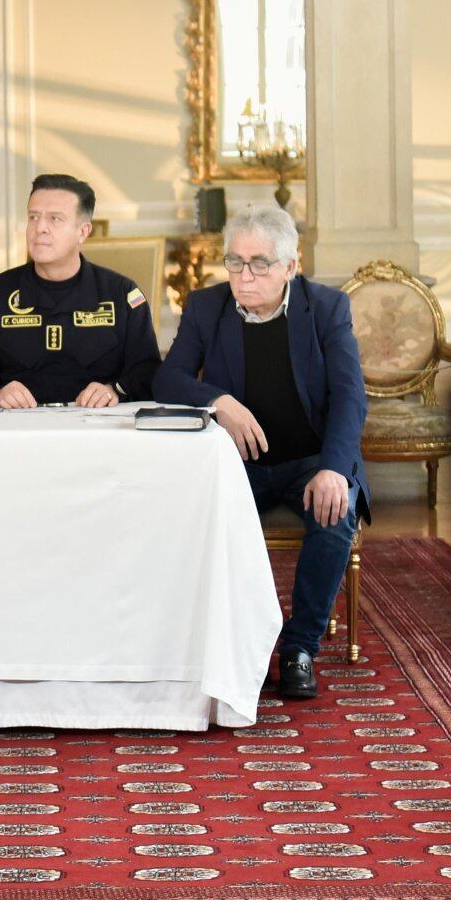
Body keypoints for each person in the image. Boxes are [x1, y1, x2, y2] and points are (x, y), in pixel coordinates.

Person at [151, 202, 367, 701]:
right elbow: (167, 378)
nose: (244, 276)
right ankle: (222, 643)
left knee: (334, 515)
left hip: (312, 461)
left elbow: (349, 396)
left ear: (291, 265)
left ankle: (299, 648)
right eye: (235, 262)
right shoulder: (206, 307)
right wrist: (219, 401)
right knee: (186, 514)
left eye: (259, 264)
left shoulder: (327, 308)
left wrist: (335, 469)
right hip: (236, 464)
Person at [0, 173, 159, 409]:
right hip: (17, 426)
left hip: (98, 425)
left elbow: (147, 372)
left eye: (55, 219)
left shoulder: (121, 294)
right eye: (33, 217)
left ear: (83, 231)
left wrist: (114, 390)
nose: (40, 228)